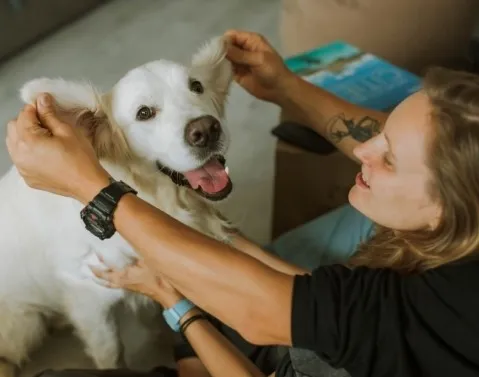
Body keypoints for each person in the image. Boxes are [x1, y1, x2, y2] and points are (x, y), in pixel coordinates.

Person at [5, 29, 479, 377]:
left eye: (389, 158)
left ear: (445, 212)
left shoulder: (437, 308)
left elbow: (272, 310)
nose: (362, 150)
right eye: (148, 113)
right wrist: (288, 88)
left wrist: (91, 190)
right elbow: (314, 293)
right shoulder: (451, 223)